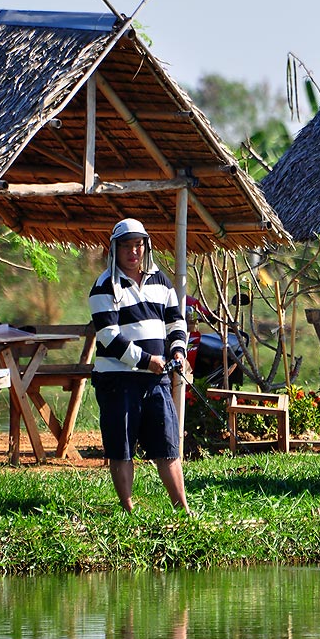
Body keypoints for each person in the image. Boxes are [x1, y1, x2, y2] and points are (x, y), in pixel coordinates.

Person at [89, 218, 190, 513]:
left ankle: (182, 509)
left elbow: (176, 321)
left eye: (138, 245)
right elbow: (108, 336)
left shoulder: (162, 281)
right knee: (121, 447)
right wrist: (147, 361)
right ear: (114, 249)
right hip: (117, 379)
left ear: (146, 247)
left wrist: (178, 351)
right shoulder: (103, 286)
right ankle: (128, 509)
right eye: (126, 247)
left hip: (156, 379)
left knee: (167, 444)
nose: (133, 252)